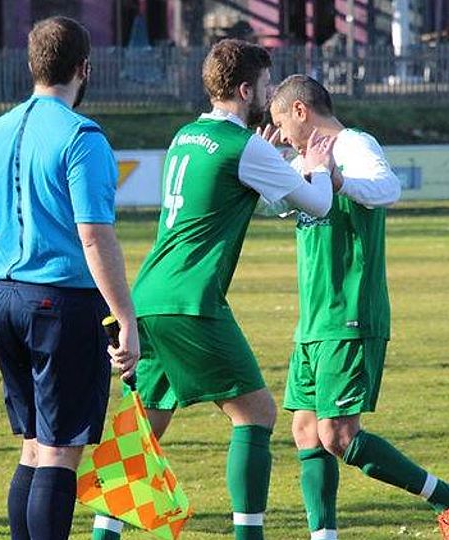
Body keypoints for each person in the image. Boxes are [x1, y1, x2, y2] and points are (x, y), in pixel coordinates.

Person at [91, 39, 335, 540]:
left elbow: (239, 193)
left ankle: (103, 536)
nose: (268, 95)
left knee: (144, 427)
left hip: (148, 296)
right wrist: (318, 168)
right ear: (245, 90)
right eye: (264, 86)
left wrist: (268, 161)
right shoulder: (242, 146)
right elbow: (317, 204)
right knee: (256, 414)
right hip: (192, 300)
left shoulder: (186, 135)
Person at [265, 74, 449, 540]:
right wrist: (265, 162)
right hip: (314, 319)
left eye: (281, 123)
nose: (281, 134)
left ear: (300, 111)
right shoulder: (303, 158)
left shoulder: (353, 144)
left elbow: (387, 188)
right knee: (306, 430)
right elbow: (273, 205)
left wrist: (334, 176)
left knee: (338, 435)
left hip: (350, 311)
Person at [0, 16, 139, 540]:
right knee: (60, 452)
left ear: (32, 65)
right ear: (85, 68)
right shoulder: (82, 137)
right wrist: (126, 318)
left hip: (6, 298)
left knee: (34, 447)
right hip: (61, 304)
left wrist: (12, 278)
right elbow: (94, 237)